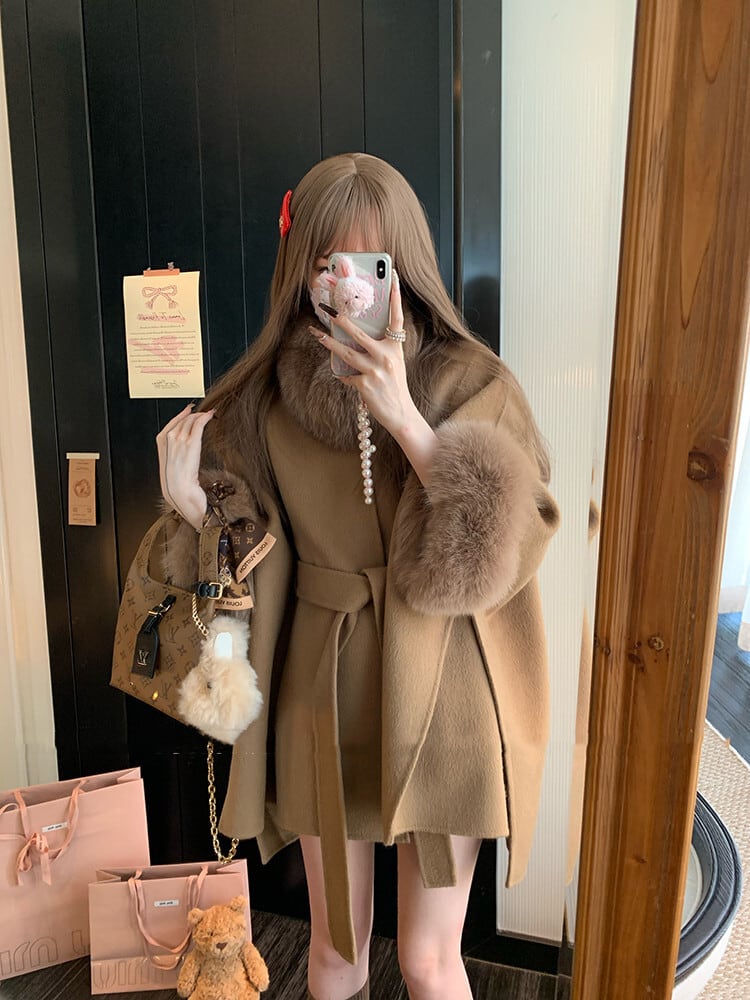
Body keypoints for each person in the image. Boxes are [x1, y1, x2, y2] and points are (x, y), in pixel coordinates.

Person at [156, 152, 559, 1000]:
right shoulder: (265, 401)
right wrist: (195, 509)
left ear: (402, 267)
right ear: (298, 270)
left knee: (428, 960)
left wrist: (406, 418)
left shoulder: (472, 380)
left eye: (368, 262)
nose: (344, 283)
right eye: (323, 260)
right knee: (336, 954)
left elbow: (512, 544)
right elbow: (256, 558)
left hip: (447, 687)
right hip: (321, 689)